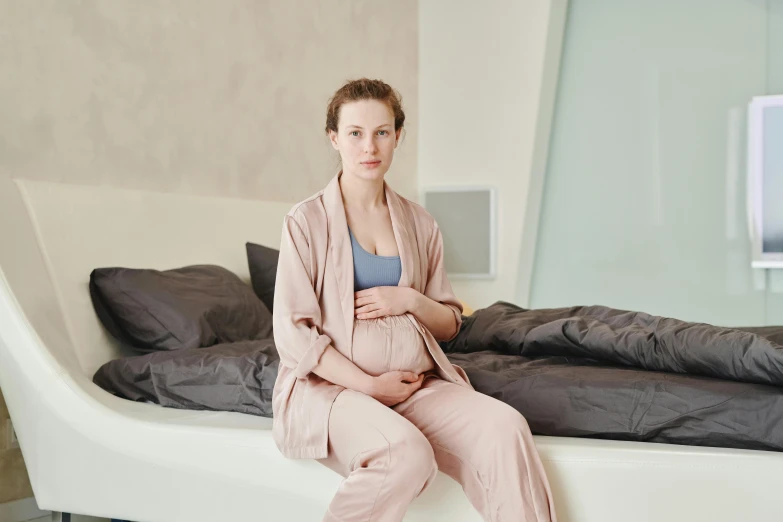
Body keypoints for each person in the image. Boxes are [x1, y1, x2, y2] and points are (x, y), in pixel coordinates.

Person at [271, 78, 558, 522]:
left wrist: (408, 298)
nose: (370, 146)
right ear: (334, 138)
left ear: (398, 137)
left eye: (382, 132)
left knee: (505, 428)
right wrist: (368, 385)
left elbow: (448, 324)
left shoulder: (420, 224)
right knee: (405, 455)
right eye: (355, 133)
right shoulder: (305, 221)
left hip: (412, 386)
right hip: (333, 390)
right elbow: (292, 335)